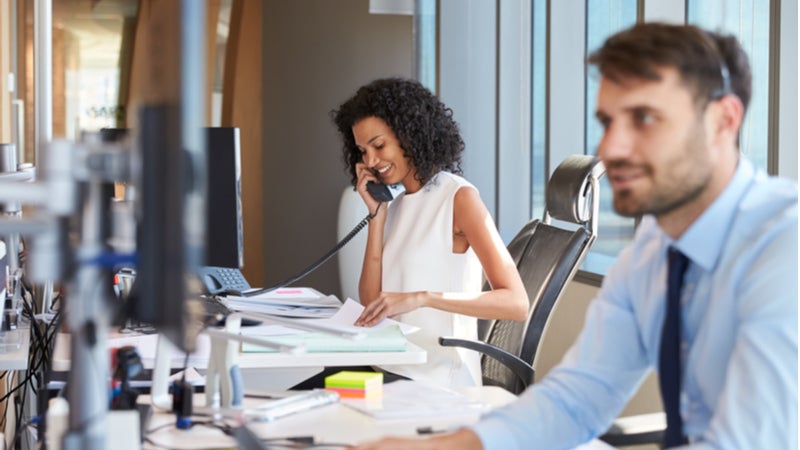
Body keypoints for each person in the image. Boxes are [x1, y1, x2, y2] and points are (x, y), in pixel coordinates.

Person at [350, 23, 798, 450]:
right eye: (607, 121)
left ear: (724, 120)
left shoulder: (783, 247)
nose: (612, 148)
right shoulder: (653, 254)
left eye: (644, 118)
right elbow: (577, 398)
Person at [331, 77, 529, 388]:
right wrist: (376, 216)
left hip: (437, 379)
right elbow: (372, 302)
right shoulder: (395, 205)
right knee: (301, 396)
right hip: (391, 370)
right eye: (362, 151)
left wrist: (422, 298)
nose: (370, 161)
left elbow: (516, 303)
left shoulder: (458, 198)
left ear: (410, 137)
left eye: (379, 145)